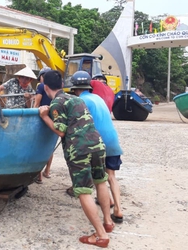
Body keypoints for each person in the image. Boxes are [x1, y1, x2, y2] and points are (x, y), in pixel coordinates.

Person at [38, 70, 113, 248]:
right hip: (97, 144)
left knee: (83, 191)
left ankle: (101, 236)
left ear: (46, 87)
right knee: (101, 181)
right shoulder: (77, 99)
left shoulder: (57, 102)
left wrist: (44, 116)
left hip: (79, 150)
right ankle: (108, 223)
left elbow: (60, 131)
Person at [70, 71, 124, 224]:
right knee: (111, 176)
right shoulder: (98, 98)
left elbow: (79, 124)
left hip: (98, 143)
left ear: (74, 88)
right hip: (113, 140)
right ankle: (118, 209)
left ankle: (105, 215)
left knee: (99, 179)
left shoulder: (80, 101)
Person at [34, 67, 53, 184]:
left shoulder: (41, 86)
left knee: (38, 146)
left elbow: (36, 104)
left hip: (42, 117)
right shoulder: (55, 87)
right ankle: (47, 171)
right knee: (49, 146)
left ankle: (39, 175)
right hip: (51, 118)